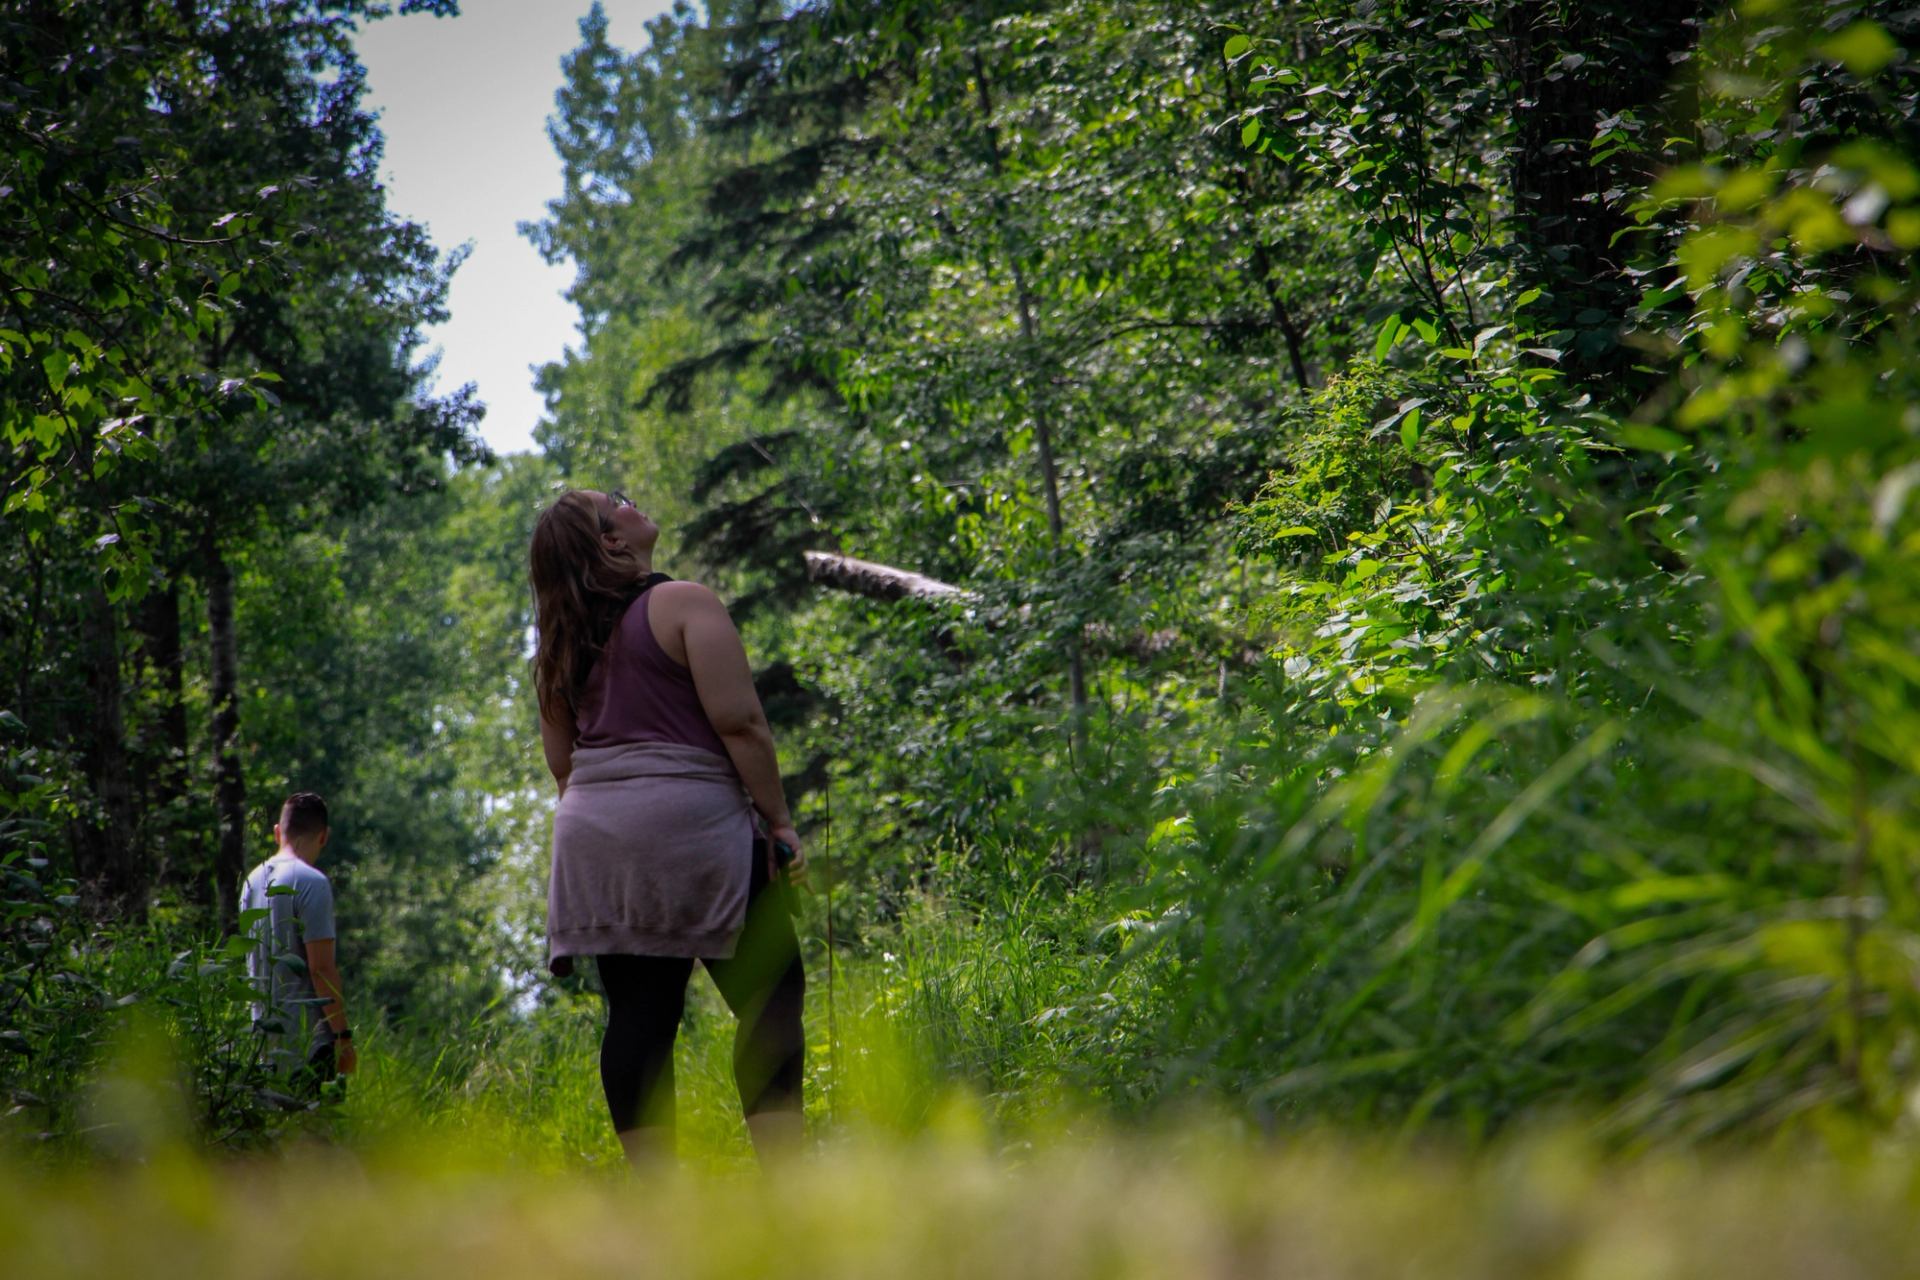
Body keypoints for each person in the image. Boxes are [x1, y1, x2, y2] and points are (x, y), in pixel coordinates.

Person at [530, 488, 807, 1167]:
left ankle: (659, 1200)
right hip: (692, 822)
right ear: (612, 543)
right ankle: (787, 1180)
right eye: (617, 502)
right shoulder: (684, 603)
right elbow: (739, 724)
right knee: (772, 999)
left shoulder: (559, 644)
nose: (633, 503)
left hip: (595, 833)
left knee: (639, 1015)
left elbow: (562, 765)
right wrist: (778, 820)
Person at [239, 791, 356, 1094]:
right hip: (308, 1045)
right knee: (309, 1136)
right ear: (324, 837)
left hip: (261, 1041)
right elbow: (321, 970)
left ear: (278, 832)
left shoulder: (252, 881)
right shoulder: (312, 882)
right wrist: (343, 1038)